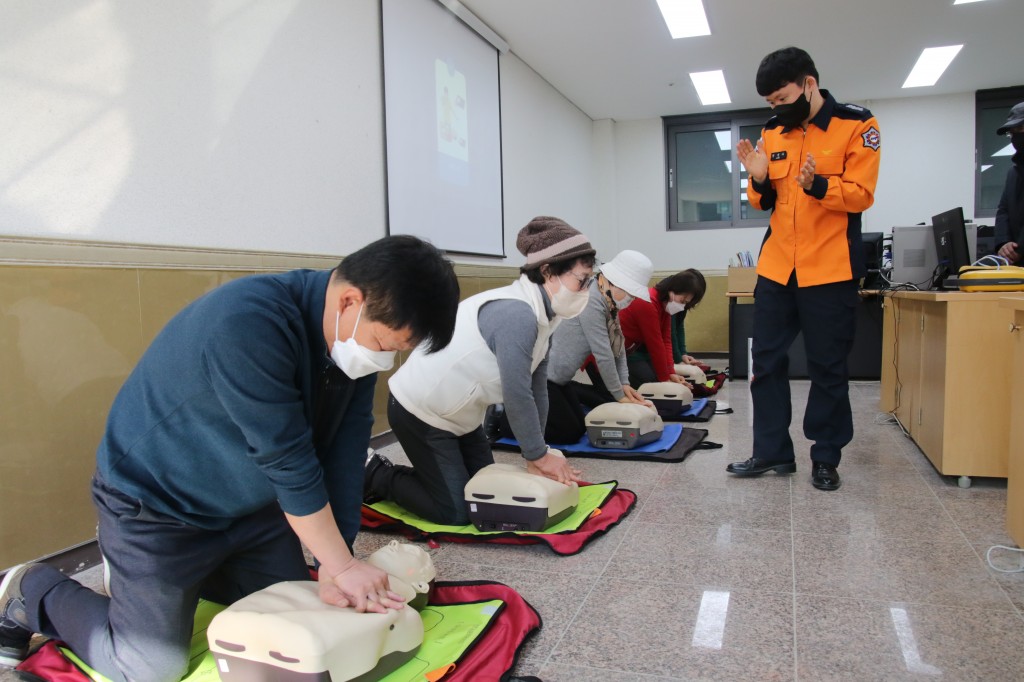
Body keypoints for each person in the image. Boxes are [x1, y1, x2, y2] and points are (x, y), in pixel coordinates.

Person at [0, 236, 461, 680]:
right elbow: (289, 462)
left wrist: (332, 563)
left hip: (247, 512)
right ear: (349, 303)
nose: (383, 362)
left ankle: (198, 581)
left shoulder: (349, 342)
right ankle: (31, 588)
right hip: (158, 510)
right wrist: (341, 567)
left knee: (302, 620)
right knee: (147, 667)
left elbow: (344, 452)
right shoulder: (248, 321)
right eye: (385, 347)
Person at [365, 217, 595, 525]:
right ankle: (374, 472)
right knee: (456, 512)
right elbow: (517, 394)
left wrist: (538, 454)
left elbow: (537, 387)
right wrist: (538, 456)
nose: (585, 290)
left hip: (463, 417)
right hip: (420, 411)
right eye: (581, 280)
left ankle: (435, 478)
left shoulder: (545, 316)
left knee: (484, 495)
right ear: (548, 271)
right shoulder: (517, 315)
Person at [730, 46, 881, 491]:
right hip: (778, 268)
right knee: (767, 363)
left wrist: (818, 184)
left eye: (781, 98)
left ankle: (826, 456)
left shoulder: (858, 124)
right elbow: (764, 201)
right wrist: (757, 179)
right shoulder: (773, 131)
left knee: (827, 367)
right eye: (770, 103)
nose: (776, 108)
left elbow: (861, 194)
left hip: (830, 269)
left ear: (808, 84)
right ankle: (773, 453)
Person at [544, 250, 657, 444]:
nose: (630, 299)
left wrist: (625, 384)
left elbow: (618, 347)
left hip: (560, 378)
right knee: (567, 434)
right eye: (629, 293)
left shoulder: (608, 302)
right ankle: (508, 415)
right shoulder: (590, 300)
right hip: (542, 378)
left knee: (580, 427)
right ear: (610, 281)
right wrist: (620, 396)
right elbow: (603, 354)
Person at [618, 269, 706, 388]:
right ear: (672, 291)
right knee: (650, 382)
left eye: (685, 303)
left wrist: (671, 373)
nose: (682, 306)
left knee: (656, 378)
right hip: (618, 354)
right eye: (682, 301)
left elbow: (666, 340)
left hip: (627, 351)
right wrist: (665, 380)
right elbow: (656, 345)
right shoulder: (648, 302)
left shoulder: (665, 307)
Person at [995, 101, 1024, 265]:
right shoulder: (1013, 173)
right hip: (1017, 264)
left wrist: (1020, 248)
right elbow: (1003, 211)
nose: (1015, 136)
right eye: (1012, 132)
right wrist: (1003, 242)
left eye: (1020, 129)